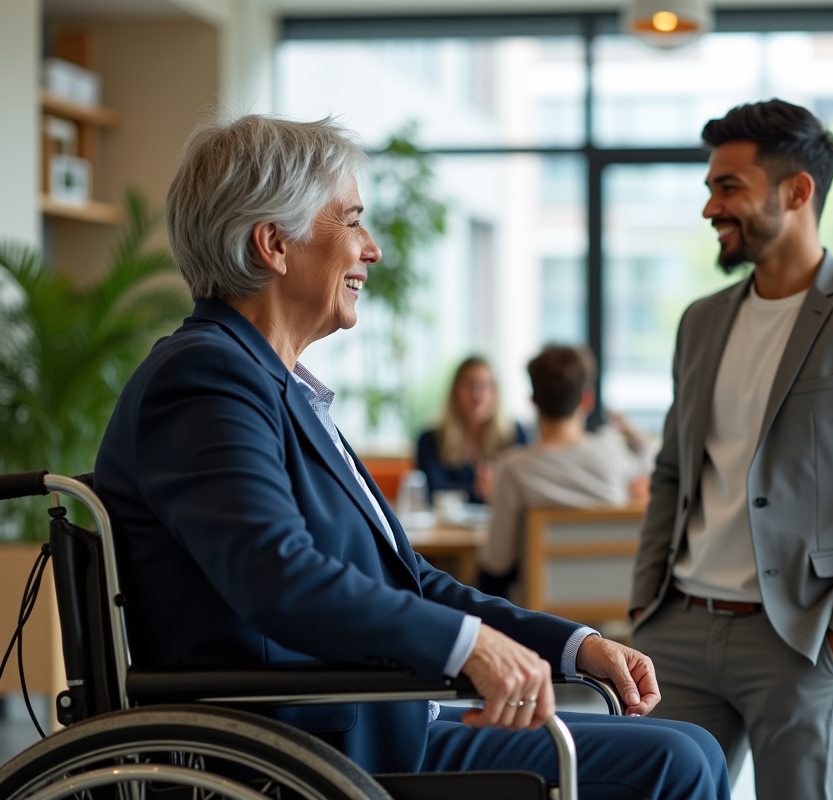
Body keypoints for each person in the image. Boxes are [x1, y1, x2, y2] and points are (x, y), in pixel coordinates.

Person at [92, 114, 729, 800]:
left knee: (692, 746)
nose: (372, 250)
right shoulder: (205, 380)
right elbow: (277, 574)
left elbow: (411, 581)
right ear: (274, 243)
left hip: (377, 721)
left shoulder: (273, 385)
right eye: (352, 221)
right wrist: (470, 647)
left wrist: (573, 646)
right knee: (678, 761)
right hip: (315, 755)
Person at [628, 99, 833, 799]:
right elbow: (672, 470)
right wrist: (646, 601)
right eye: (710, 187)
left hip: (801, 639)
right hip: (678, 629)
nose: (710, 207)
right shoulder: (700, 322)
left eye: (728, 187)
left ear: (797, 192)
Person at [478, 344, 652, 599]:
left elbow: (497, 563)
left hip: (538, 616)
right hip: (611, 610)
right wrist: (626, 426)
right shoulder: (614, 454)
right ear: (588, 399)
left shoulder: (515, 469)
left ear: (533, 401)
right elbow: (650, 456)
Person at [417, 357, 527, 505]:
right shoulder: (430, 440)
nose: (477, 396)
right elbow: (434, 494)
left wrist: (496, 492)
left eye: (486, 386)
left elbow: (524, 496)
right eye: (469, 385)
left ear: (496, 393)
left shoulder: (514, 435)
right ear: (455, 392)